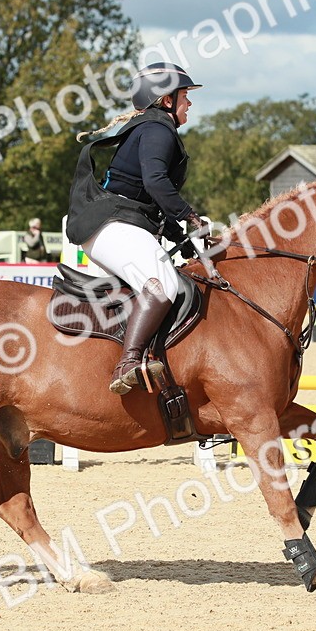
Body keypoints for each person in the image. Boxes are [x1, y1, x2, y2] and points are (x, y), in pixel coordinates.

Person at [66, 62, 208, 395]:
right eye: (185, 95)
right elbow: (155, 181)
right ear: (167, 100)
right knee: (161, 285)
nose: (190, 102)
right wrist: (189, 215)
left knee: (160, 284)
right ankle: (129, 362)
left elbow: (148, 197)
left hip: (120, 223)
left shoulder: (151, 126)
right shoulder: (159, 129)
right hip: (113, 225)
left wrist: (179, 237)